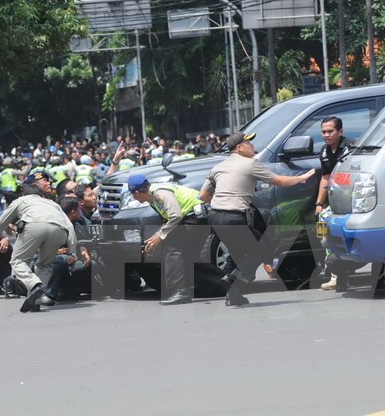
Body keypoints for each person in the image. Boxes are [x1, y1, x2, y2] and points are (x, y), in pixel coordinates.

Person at [199, 131, 315, 306]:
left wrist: (222, 201)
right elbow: (279, 181)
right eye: (248, 143)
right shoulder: (250, 163)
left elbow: (203, 195)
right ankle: (231, 279)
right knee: (259, 252)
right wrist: (301, 178)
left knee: (237, 255)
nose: (253, 146)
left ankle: (233, 295)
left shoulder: (218, 167)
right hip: (234, 217)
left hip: (215, 217)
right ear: (239, 148)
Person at [0, 183, 78, 313]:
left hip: (34, 227)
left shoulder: (21, 200)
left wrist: (5, 226)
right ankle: (36, 301)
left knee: (18, 261)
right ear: (40, 195)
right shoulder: (52, 203)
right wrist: (72, 250)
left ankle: (34, 285)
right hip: (59, 230)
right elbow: (69, 226)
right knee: (45, 265)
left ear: (24, 194)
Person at [128, 174, 206, 305]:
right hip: (190, 219)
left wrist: (159, 237)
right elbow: (168, 221)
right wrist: (154, 239)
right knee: (186, 257)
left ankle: (181, 292)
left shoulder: (160, 193)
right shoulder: (153, 197)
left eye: (132, 195)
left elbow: (175, 215)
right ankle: (222, 283)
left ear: (136, 193)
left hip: (195, 218)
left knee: (173, 249)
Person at [314, 116, 355, 290]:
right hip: (336, 202)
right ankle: (335, 275)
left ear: (340, 131)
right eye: (323, 132)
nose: (326, 135)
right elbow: (325, 179)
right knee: (323, 229)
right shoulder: (324, 151)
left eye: (330, 131)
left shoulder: (351, 147)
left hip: (354, 201)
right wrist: (318, 204)